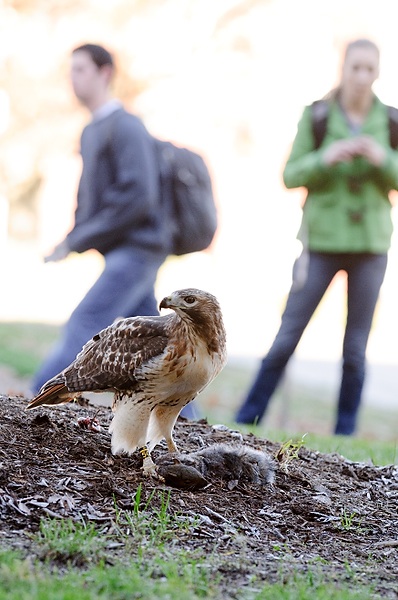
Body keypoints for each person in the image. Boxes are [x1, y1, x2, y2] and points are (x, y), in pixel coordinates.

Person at [236, 38, 398, 435]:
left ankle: (345, 431)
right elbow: (291, 174)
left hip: (371, 246)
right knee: (288, 335)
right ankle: (246, 418)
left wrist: (383, 159)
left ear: (377, 72)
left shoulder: (391, 120)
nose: (361, 77)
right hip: (320, 243)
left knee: (355, 349)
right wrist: (326, 157)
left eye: (369, 69)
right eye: (354, 68)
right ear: (342, 69)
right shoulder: (318, 116)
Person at [31, 43, 198, 418]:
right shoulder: (93, 130)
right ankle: (190, 418)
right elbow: (90, 198)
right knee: (159, 340)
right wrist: (71, 240)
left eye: (81, 70)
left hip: (140, 248)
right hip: (122, 250)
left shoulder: (126, 126)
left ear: (105, 73)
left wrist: (80, 238)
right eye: (71, 70)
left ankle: (36, 400)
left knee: (86, 321)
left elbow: (139, 196)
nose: (73, 79)